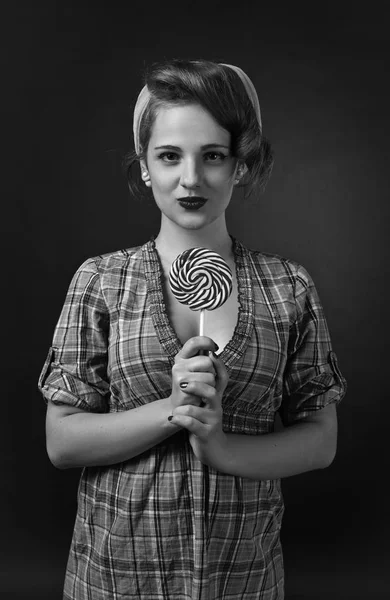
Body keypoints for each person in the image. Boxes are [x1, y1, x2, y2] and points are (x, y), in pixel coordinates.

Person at [38, 59, 347, 600]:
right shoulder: (102, 280)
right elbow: (62, 442)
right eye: (169, 156)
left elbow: (320, 441)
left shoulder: (287, 287)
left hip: (243, 580)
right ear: (143, 167)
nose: (190, 179)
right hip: (114, 579)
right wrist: (174, 406)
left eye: (213, 156)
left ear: (240, 165)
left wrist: (222, 447)